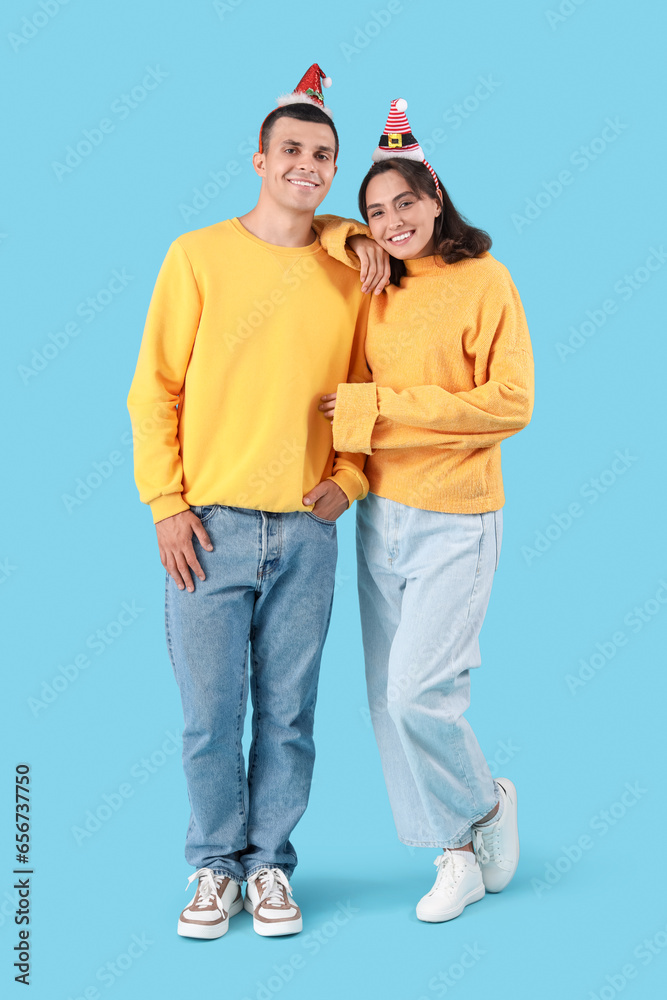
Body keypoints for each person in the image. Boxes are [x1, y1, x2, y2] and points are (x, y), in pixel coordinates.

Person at [126, 64, 388, 941]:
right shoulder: (196, 255)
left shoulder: (350, 270)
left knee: (290, 714)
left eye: (322, 154)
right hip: (209, 524)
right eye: (290, 150)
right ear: (259, 159)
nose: (304, 164)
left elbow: (365, 384)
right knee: (209, 716)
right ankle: (212, 867)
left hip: (306, 532)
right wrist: (166, 503)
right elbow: (153, 390)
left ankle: (269, 865)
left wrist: (348, 479)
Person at [317, 98, 534, 923]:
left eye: (405, 201)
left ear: (436, 197)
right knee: (383, 697)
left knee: (419, 692)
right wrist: (351, 236)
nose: (392, 219)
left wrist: (380, 407)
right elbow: (315, 227)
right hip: (382, 518)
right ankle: (452, 855)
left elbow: (511, 402)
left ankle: (482, 809)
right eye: (377, 210)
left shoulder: (486, 281)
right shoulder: (375, 280)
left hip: (458, 514)